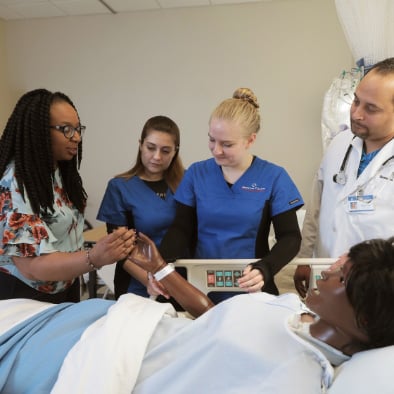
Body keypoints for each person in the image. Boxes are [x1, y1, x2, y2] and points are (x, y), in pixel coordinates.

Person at [1, 234, 394, 393]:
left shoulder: (295, 376)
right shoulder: (293, 308)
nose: (330, 272)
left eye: (341, 275)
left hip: (104, 357)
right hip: (114, 321)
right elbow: (213, 317)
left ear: (364, 316)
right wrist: (160, 268)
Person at [159, 87, 304, 302]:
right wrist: (161, 267)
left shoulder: (273, 177)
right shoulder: (196, 174)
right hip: (200, 284)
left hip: (251, 283)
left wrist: (265, 268)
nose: (216, 150)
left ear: (250, 140)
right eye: (211, 140)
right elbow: (181, 228)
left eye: (227, 144)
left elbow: (290, 237)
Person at [0, 88, 136, 303]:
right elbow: (32, 266)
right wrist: (94, 257)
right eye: (66, 129)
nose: (77, 137)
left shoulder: (58, 171)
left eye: (77, 128)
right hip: (26, 296)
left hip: (65, 286)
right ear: (38, 131)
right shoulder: (15, 182)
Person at [294, 57, 394, 297]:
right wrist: (305, 259)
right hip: (326, 280)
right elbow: (316, 207)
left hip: (379, 292)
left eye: (371, 108)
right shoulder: (339, 144)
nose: (357, 114)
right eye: (356, 101)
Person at [96, 115, 184, 300]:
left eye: (166, 151)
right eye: (151, 148)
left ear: (175, 151)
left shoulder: (187, 183)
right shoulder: (120, 187)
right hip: (139, 284)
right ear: (140, 144)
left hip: (183, 281)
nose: (157, 157)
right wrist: (151, 282)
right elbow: (120, 250)